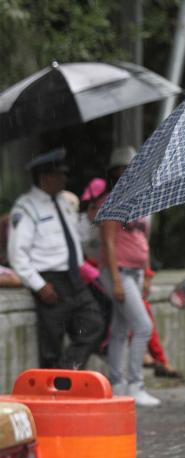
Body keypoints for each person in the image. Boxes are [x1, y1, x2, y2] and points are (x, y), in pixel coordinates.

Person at [6, 148, 105, 369]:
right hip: (50, 280)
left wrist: (93, 217)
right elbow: (17, 254)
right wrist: (39, 285)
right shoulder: (26, 207)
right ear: (45, 178)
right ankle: (55, 388)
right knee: (51, 343)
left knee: (94, 325)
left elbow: (78, 236)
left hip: (74, 277)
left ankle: (65, 373)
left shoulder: (63, 201)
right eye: (60, 174)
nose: (65, 179)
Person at [98, 146, 163, 406]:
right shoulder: (111, 201)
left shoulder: (140, 199)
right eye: (124, 168)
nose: (129, 172)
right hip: (119, 271)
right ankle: (135, 384)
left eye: (132, 167)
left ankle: (116, 384)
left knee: (120, 329)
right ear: (115, 172)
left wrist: (147, 273)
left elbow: (142, 240)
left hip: (135, 272)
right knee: (143, 327)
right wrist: (114, 279)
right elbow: (109, 242)